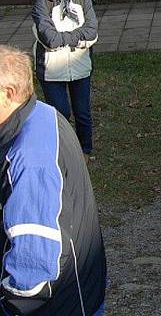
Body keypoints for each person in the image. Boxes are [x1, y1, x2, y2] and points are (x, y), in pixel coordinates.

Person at [0, 45, 107, 315]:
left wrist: (9, 304)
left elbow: (33, 270)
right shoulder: (43, 114)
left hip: (56, 304)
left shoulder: (29, 159)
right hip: (82, 285)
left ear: (8, 94)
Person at [31, 0, 98, 159]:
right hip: (52, 71)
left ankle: (85, 151)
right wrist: (77, 37)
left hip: (80, 67)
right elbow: (49, 39)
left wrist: (65, 39)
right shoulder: (43, 2)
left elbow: (92, 32)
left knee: (83, 113)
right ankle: (63, 153)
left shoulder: (84, 0)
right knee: (59, 113)